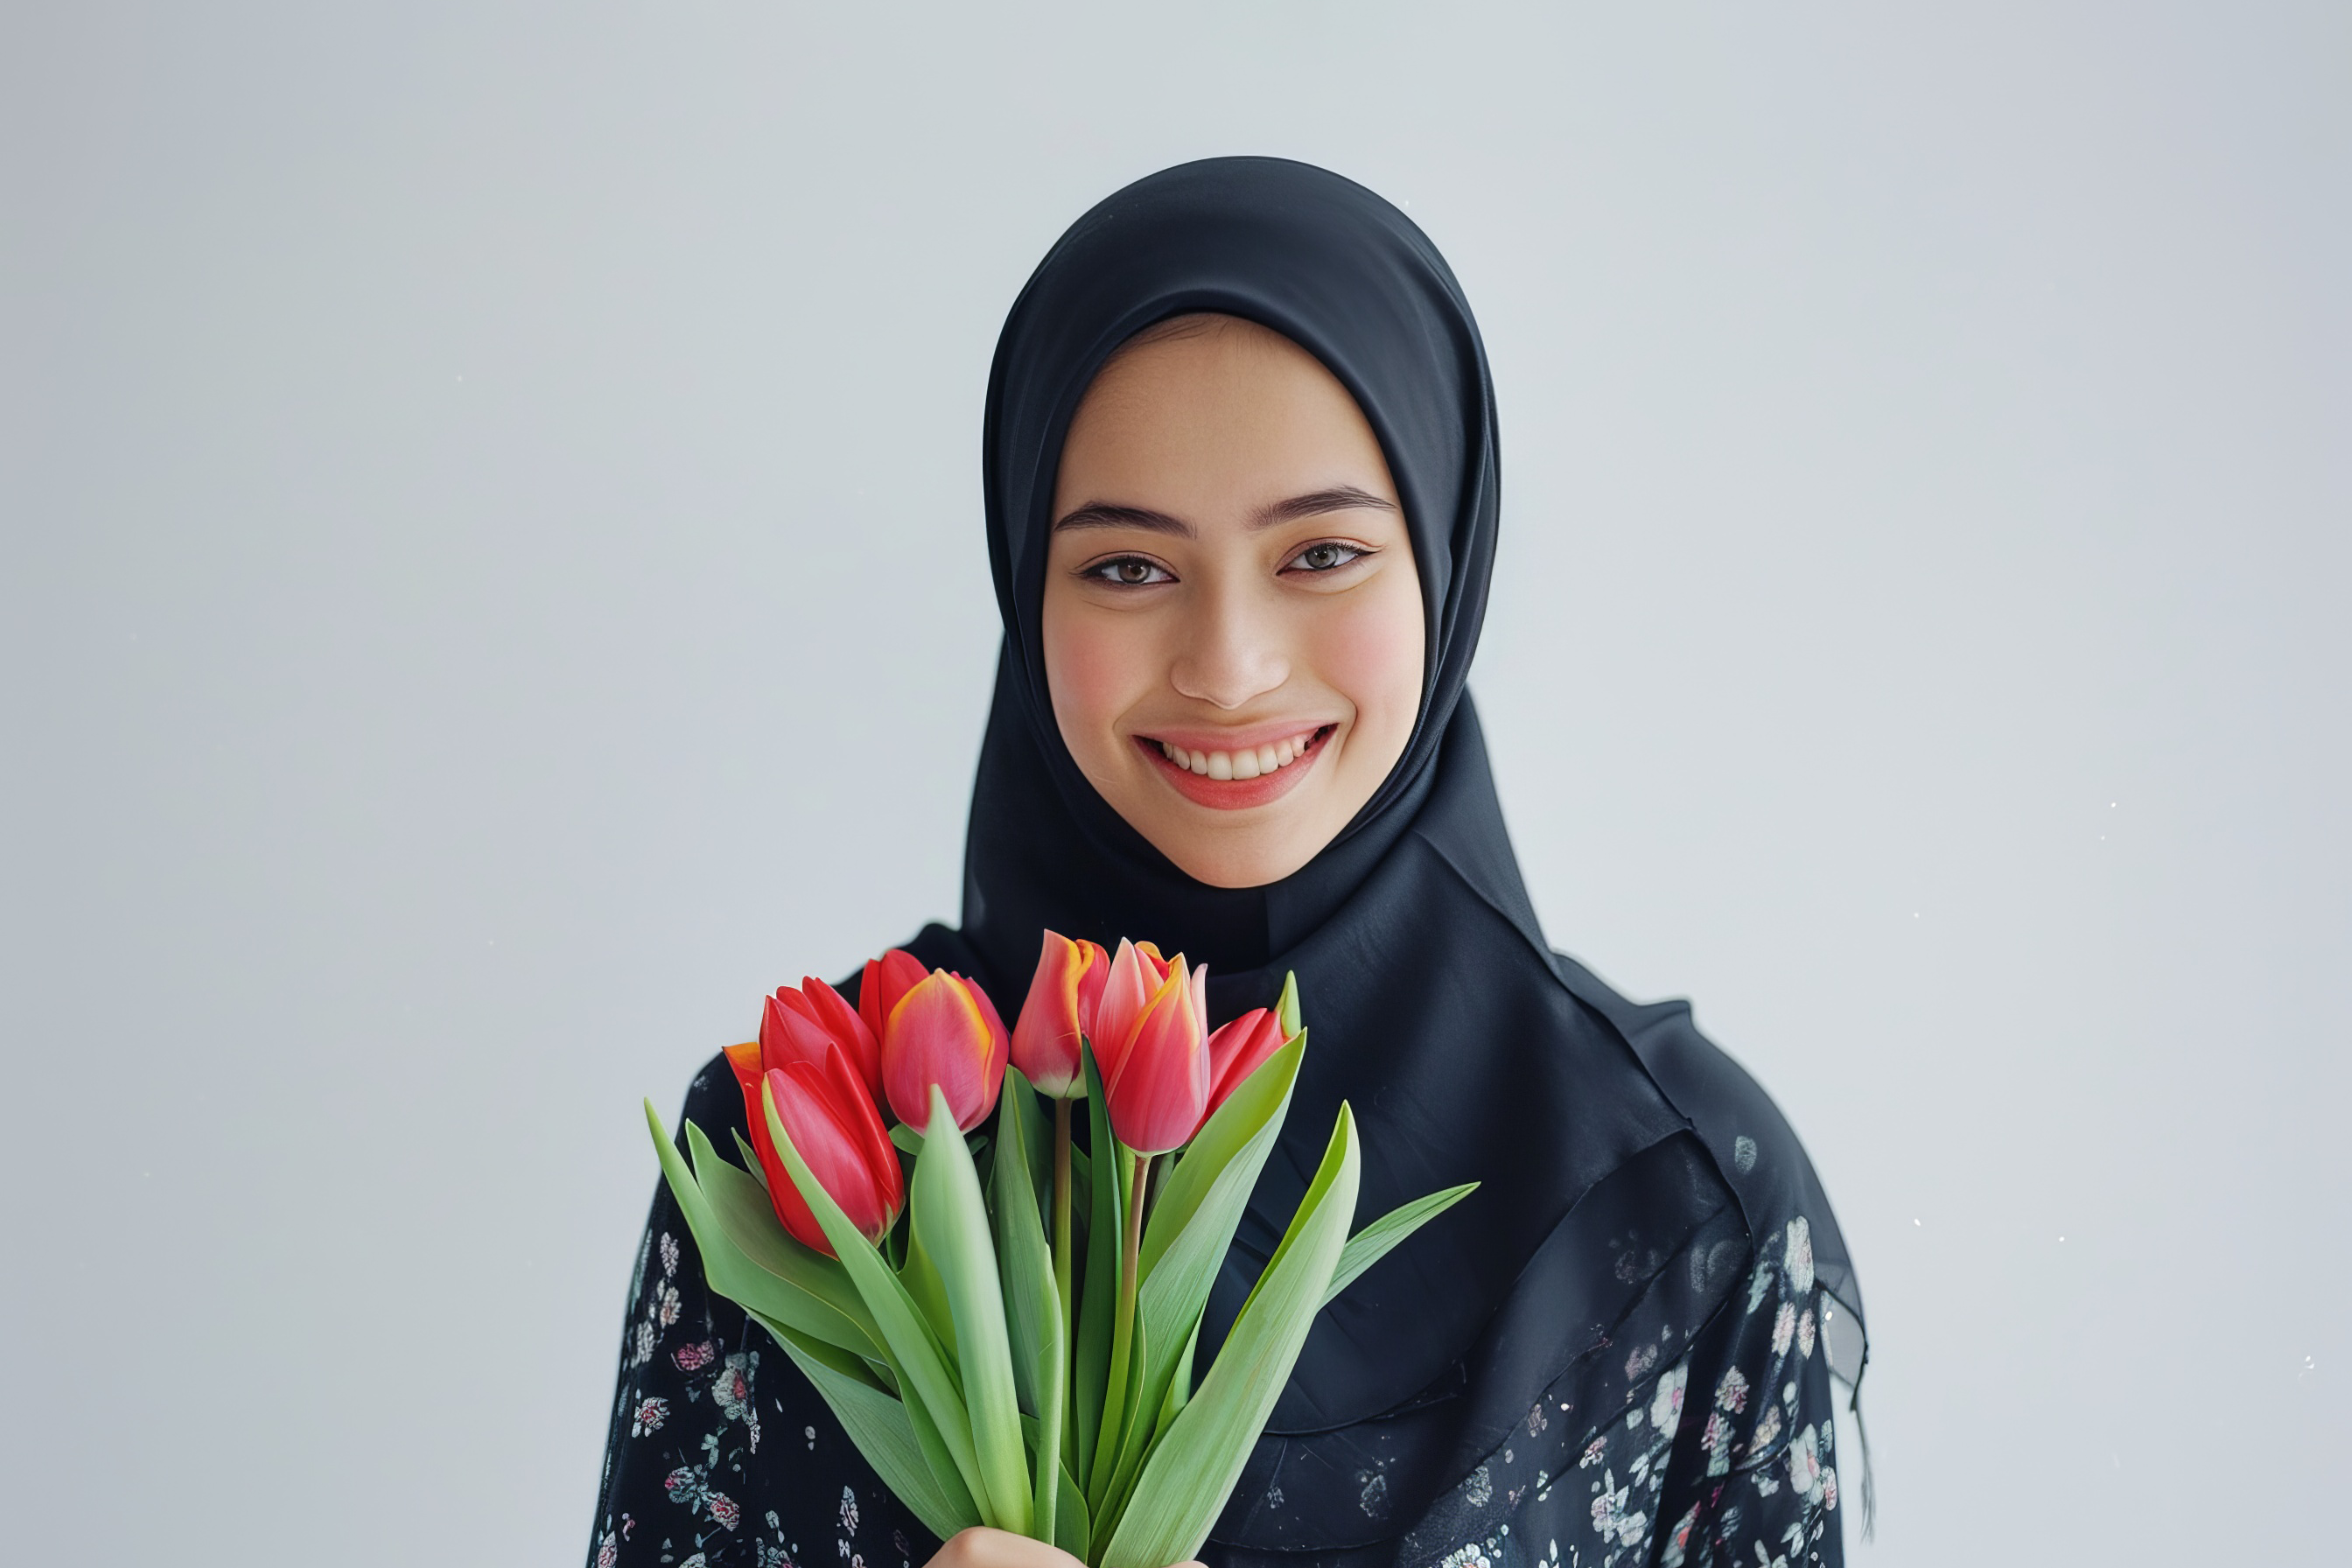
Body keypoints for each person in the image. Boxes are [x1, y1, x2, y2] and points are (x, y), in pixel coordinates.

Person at [588, 158, 1867, 1568]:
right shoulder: (806, 1148)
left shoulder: (1679, 1198)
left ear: (1445, 560)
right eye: (1129, 568)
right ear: (1026, 584)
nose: (1228, 668)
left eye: (1321, 553)